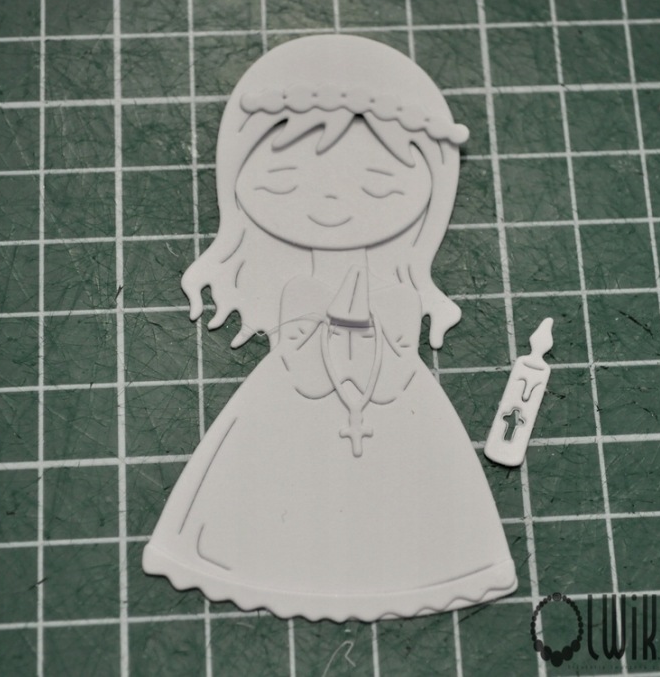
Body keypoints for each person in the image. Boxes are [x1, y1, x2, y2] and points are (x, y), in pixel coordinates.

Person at [143, 35, 517, 622]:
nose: (332, 201)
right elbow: (304, 358)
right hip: (298, 387)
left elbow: (391, 356)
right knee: (274, 485)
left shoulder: (392, 299)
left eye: (377, 185)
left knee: (409, 491)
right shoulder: (298, 293)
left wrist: (376, 348)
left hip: (386, 392)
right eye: (284, 180)